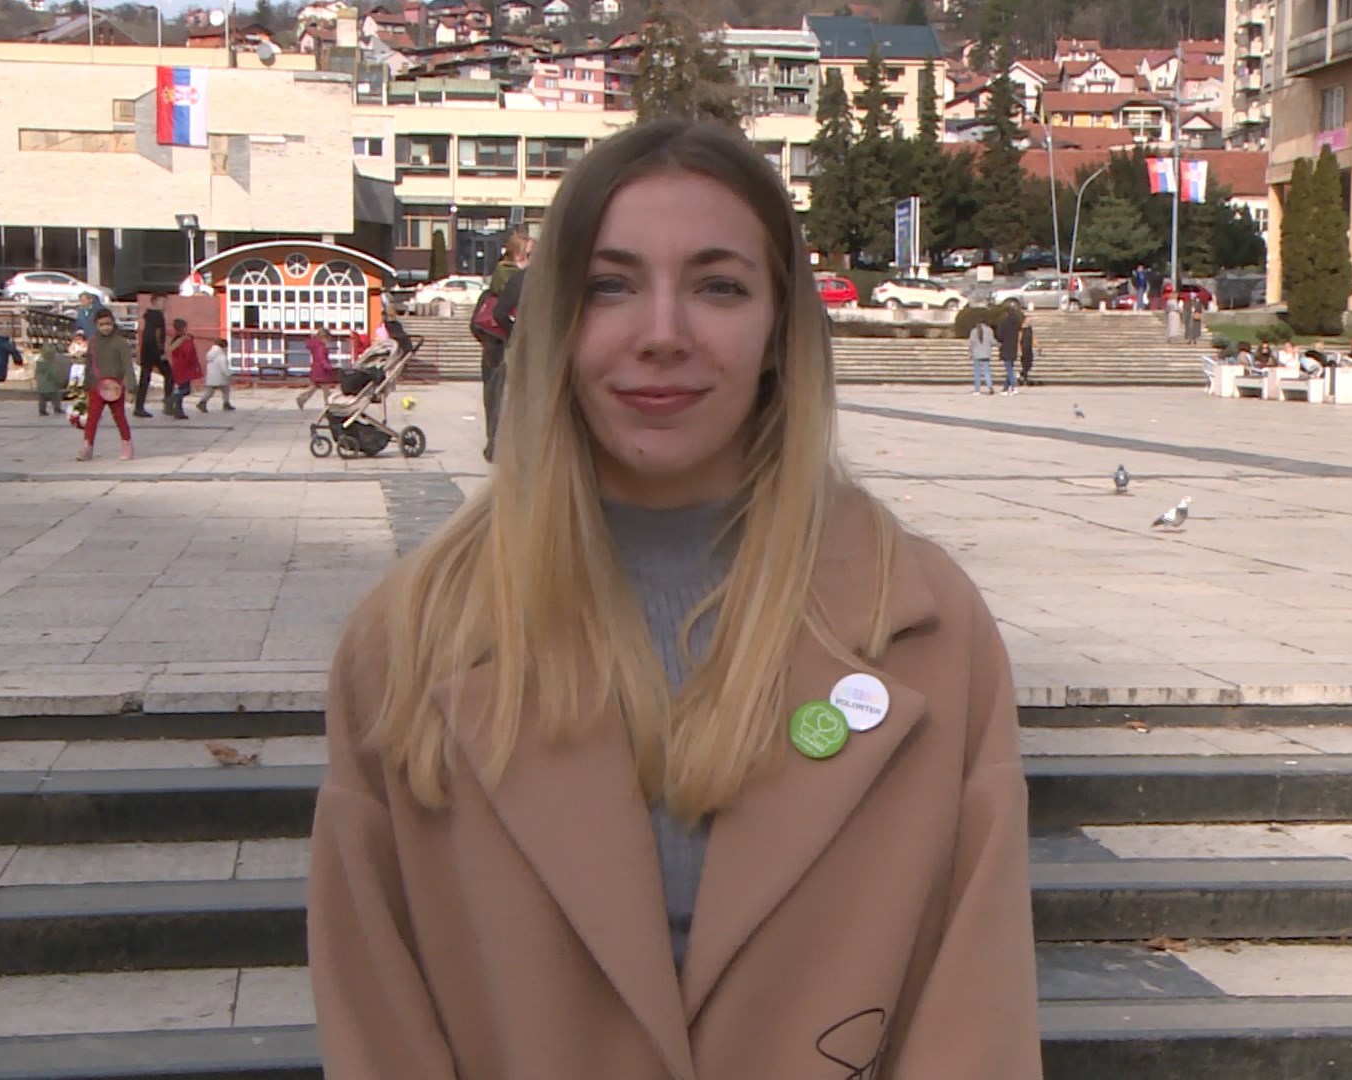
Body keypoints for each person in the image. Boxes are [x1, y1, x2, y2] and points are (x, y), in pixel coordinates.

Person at [308, 118, 1040, 1080]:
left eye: (718, 286)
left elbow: (975, 1019)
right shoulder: (408, 641)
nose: (662, 334)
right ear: (556, 322)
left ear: (779, 328)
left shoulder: (928, 629)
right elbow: (379, 1024)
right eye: (609, 286)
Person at [476, 234, 533, 462]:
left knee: (494, 398)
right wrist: (514, 333)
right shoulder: (522, 279)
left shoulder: (496, 280)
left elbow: (484, 318)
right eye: (530, 254)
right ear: (519, 255)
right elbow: (501, 313)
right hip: (513, 347)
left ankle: (494, 443)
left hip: (492, 348)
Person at [76, 309, 135, 461]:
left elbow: (128, 366)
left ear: (113, 323)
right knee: (92, 418)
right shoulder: (93, 342)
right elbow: (89, 365)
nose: (105, 327)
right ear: (96, 325)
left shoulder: (120, 343)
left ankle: (127, 444)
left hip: (115, 386)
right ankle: (87, 446)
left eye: (108, 323)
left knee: (119, 417)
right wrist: (86, 385)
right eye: (102, 324)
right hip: (97, 385)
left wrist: (131, 388)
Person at [134, 294, 171, 418]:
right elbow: (157, 333)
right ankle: (168, 404)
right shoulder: (157, 316)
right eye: (163, 302)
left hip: (146, 349)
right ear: (155, 302)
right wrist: (161, 350)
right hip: (155, 350)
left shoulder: (148, 315)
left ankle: (139, 406)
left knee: (144, 378)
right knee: (169, 374)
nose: (165, 305)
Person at [296, 326, 340, 410]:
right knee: (326, 389)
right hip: (322, 371)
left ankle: (302, 399)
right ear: (324, 338)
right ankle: (328, 406)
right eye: (328, 339)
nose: (329, 341)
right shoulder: (321, 347)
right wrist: (330, 367)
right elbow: (322, 359)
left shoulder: (315, 345)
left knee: (314, 388)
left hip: (315, 369)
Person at [166, 318, 201, 419]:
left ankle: (178, 410)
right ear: (184, 328)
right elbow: (188, 354)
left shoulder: (177, 339)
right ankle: (171, 399)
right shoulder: (183, 340)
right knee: (185, 389)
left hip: (179, 366)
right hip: (184, 367)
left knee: (182, 388)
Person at [196, 337, 234, 413]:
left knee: (210, 391)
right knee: (225, 390)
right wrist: (230, 373)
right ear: (224, 346)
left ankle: (203, 402)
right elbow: (224, 368)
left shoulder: (211, 353)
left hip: (212, 377)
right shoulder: (221, 355)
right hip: (221, 377)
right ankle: (225, 403)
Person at [33, 339, 67, 416]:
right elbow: (53, 374)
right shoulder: (50, 364)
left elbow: (36, 374)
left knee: (42, 399)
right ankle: (57, 409)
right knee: (56, 397)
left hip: (41, 385)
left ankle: (42, 411)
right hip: (51, 385)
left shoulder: (39, 363)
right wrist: (59, 382)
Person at [996, 300, 1023, 395]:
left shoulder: (1004, 323)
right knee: (1010, 368)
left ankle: (1014, 386)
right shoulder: (1017, 323)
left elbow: (999, 335)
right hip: (1013, 347)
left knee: (1009, 369)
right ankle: (1005, 388)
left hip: (1006, 348)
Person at [967, 313, 996, 395]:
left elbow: (971, 343)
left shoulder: (974, 331)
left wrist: (970, 352)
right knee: (987, 371)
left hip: (977, 354)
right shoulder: (989, 330)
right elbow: (992, 341)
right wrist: (998, 344)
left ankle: (977, 389)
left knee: (977, 373)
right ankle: (990, 386)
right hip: (986, 353)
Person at [1017, 310, 1035, 388]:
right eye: (1029, 320)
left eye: (1031, 321)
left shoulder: (1030, 328)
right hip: (1023, 348)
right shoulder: (1022, 329)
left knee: (1029, 364)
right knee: (1025, 365)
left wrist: (1037, 346)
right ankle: (1025, 379)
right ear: (1025, 321)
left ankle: (1021, 375)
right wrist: (1019, 350)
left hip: (1029, 348)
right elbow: (1019, 340)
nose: (1030, 322)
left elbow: (1032, 338)